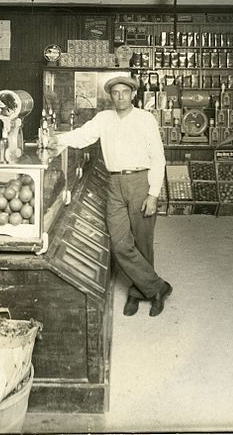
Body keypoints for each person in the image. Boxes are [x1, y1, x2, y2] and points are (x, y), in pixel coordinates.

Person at [52, 75, 172, 317]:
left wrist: (153, 194)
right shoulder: (104, 118)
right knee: (119, 243)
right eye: (115, 93)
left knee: (142, 240)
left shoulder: (145, 118)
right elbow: (81, 136)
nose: (120, 97)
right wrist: (53, 139)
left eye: (124, 92)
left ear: (133, 95)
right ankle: (157, 287)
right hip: (114, 182)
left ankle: (138, 292)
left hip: (141, 180)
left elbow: (158, 157)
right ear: (111, 95)